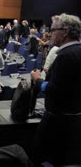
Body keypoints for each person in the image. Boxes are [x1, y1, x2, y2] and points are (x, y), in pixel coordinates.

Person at [31, 13, 81, 166]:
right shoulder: (77, 51)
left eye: (52, 30)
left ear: (65, 31)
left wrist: (37, 80)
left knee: (41, 157)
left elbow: (53, 90)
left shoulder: (65, 56)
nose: (49, 34)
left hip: (57, 121)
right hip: (74, 118)